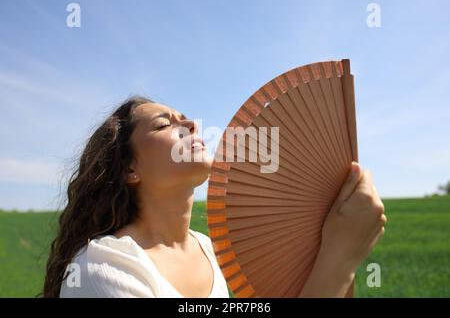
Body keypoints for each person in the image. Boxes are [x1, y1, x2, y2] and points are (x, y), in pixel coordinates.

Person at [43, 96, 386, 298]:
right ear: (130, 168)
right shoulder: (101, 268)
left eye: (186, 118)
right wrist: (339, 259)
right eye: (165, 125)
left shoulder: (213, 251)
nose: (192, 124)